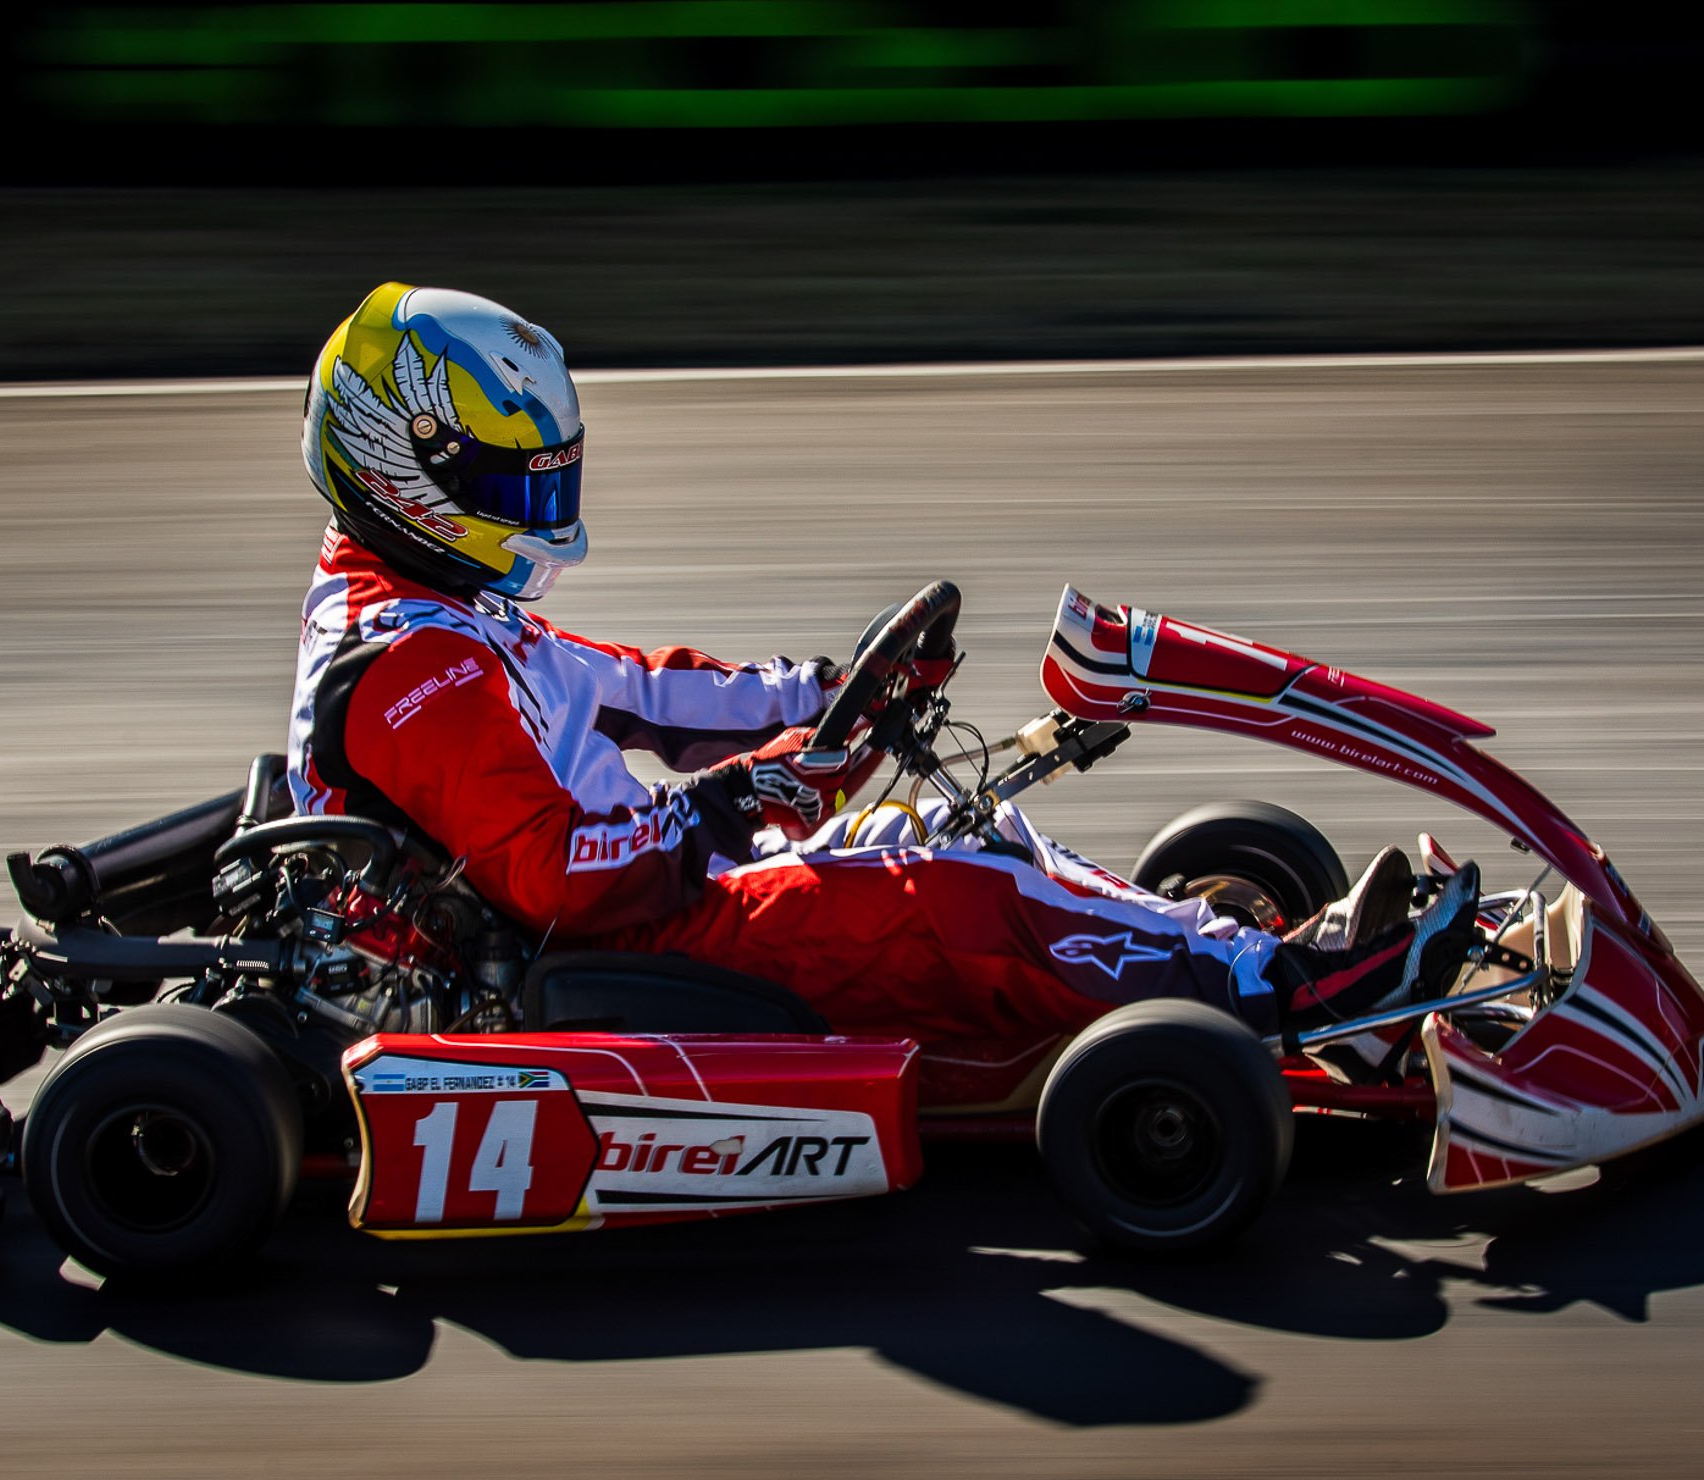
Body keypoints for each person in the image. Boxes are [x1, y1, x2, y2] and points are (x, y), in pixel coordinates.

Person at [289, 283, 1478, 1104]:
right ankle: (1300, 996)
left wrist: (823, 690)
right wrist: (742, 798)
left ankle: (1222, 952)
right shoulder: (415, 667)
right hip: (593, 944)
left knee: (961, 833)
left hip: (638, 892)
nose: (540, 508)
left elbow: (634, 691)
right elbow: (556, 875)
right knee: (945, 887)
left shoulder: (433, 608)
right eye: (514, 479)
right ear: (408, 469)